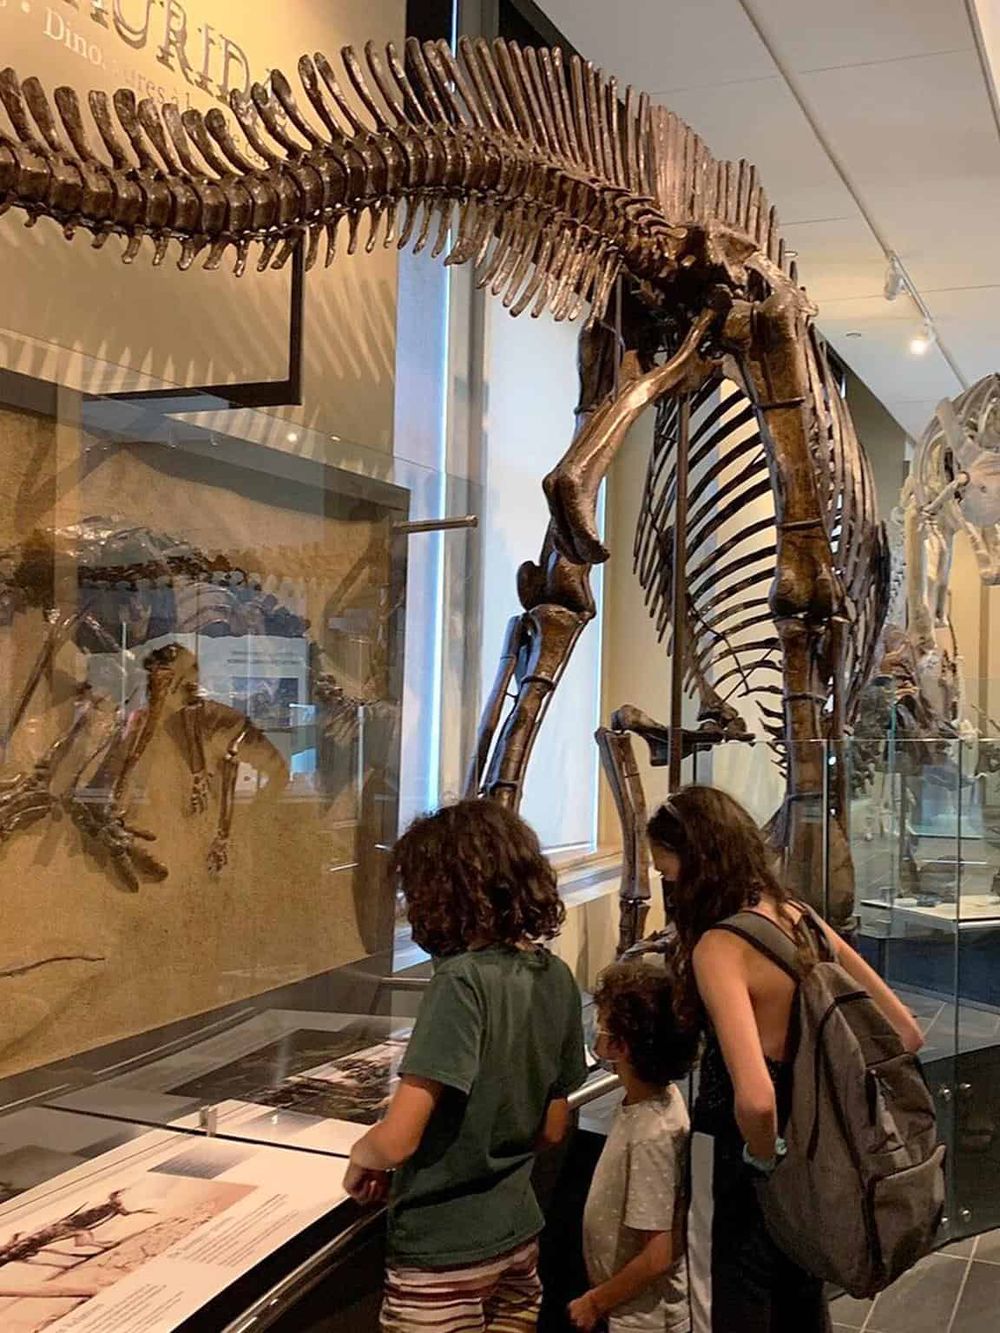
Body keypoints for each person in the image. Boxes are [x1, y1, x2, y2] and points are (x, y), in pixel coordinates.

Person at [646, 786, 924, 1333]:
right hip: (816, 1144)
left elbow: (754, 1094)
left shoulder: (720, 947)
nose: (666, 882)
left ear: (696, 860)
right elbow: (905, 1033)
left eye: (668, 869)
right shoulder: (801, 918)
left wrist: (763, 1160)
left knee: (731, 1303)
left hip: (738, 1156)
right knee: (800, 1298)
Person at [344, 799, 589, 1333]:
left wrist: (364, 1155)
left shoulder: (460, 982)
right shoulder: (557, 976)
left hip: (442, 1253)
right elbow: (552, 1128)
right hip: (519, 1239)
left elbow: (400, 1138)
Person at [569, 959, 697, 1333]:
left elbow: (657, 1254)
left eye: (603, 1020)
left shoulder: (651, 1134)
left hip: (643, 1319)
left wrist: (596, 1301)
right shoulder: (653, 1102)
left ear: (621, 1044)